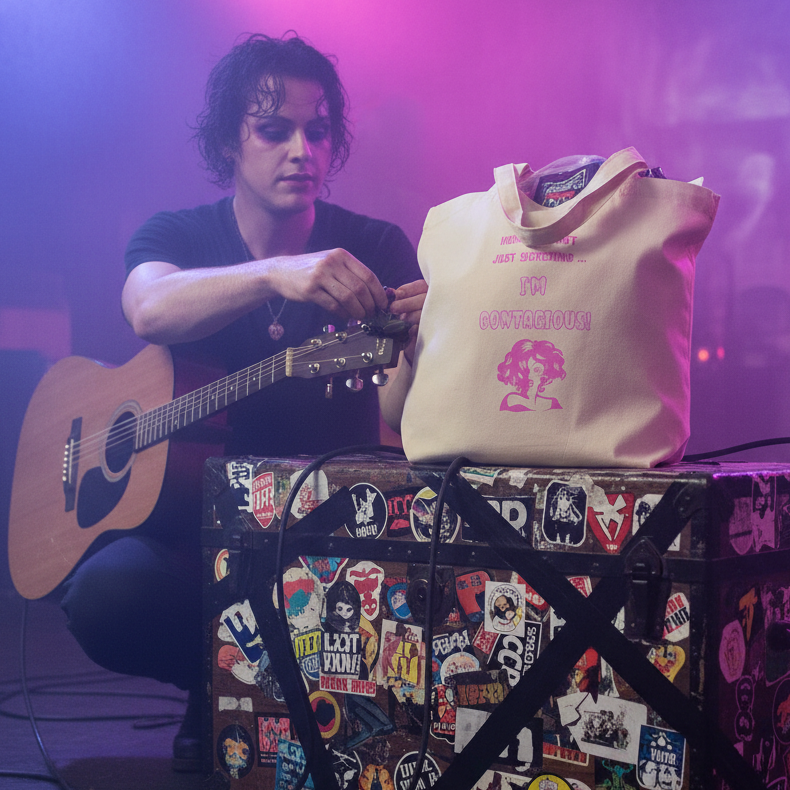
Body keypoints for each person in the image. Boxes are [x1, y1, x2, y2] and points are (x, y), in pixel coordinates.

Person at [59, 33, 426, 771]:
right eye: (273, 129)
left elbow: (396, 415)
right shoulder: (178, 234)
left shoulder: (374, 247)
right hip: (191, 540)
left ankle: (272, 704)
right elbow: (148, 309)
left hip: (321, 533)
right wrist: (276, 273)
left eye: (317, 131)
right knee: (105, 593)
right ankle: (216, 688)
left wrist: (419, 343)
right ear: (231, 140)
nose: (301, 150)